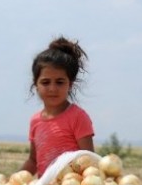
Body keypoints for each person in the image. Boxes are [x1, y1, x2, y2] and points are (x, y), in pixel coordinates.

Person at [21, 37, 95, 175]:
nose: (52, 88)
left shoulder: (78, 117)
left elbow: (89, 162)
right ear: (35, 84)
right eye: (45, 82)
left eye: (60, 82)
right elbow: (33, 161)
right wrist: (13, 179)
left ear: (70, 85)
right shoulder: (35, 121)